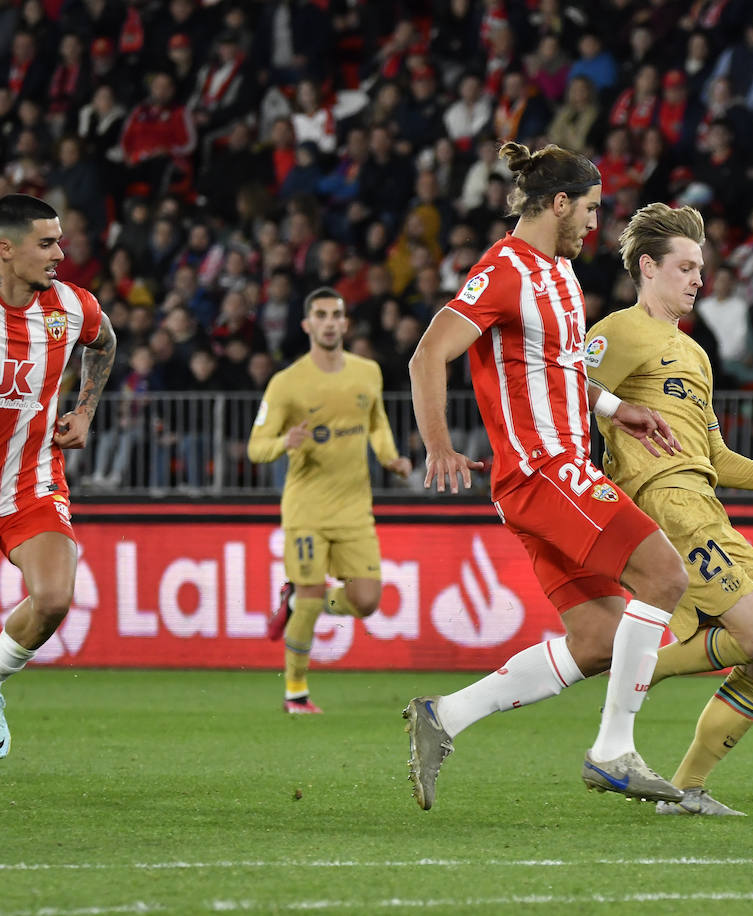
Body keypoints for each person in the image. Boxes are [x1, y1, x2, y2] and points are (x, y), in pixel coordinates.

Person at [403, 142, 690, 811]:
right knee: (665, 576)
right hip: (542, 471)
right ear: (558, 203)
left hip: (561, 471)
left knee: (597, 640)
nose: (596, 223)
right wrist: (439, 446)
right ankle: (613, 753)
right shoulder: (504, 271)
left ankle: (443, 717)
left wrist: (620, 410)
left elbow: (561, 370)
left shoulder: (560, 274)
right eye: (589, 209)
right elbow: (428, 355)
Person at [584, 202, 753, 815]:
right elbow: (565, 386)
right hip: (666, 507)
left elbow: (717, 457)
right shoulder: (616, 332)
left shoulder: (696, 355)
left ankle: (685, 790)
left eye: (701, 268)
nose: (699, 279)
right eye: (686, 267)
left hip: (705, 505)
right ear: (648, 268)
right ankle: (634, 666)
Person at [247, 288, 412, 713]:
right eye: (320, 315)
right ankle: (295, 692)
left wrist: (390, 457)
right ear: (307, 324)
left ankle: (297, 598)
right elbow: (255, 447)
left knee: (366, 601)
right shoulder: (287, 383)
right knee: (311, 594)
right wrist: (286, 441)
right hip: (307, 511)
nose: (329, 322)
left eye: (336, 315)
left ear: (345, 323)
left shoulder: (367, 372)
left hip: (355, 509)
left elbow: (376, 421)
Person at [0, 194, 117, 758]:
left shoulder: (71, 306)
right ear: (6, 248)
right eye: (46, 243)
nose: (59, 254)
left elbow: (106, 342)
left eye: (59, 240)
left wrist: (86, 409)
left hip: (30, 481)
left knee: (51, 599)